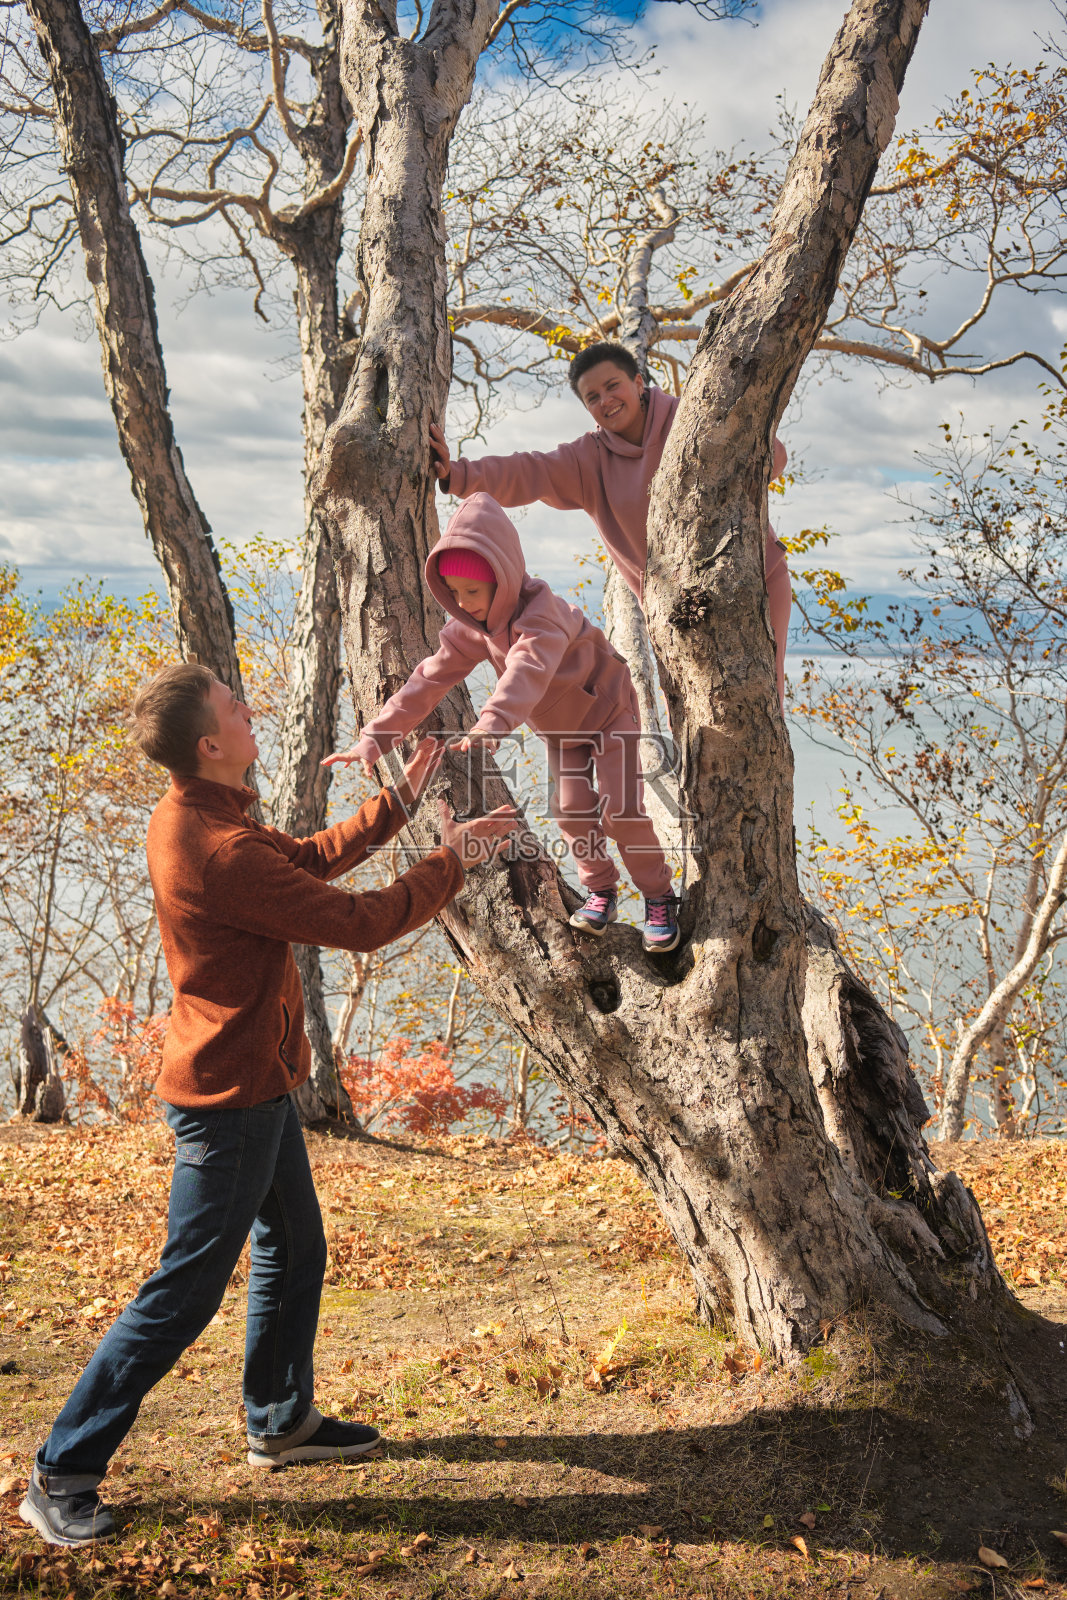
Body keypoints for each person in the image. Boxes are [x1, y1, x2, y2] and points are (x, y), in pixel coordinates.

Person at [20, 662, 518, 1549]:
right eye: (234, 707)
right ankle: (62, 1470)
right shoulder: (216, 846)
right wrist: (458, 858)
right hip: (231, 1097)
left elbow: (303, 862)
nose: (250, 711)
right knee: (183, 1289)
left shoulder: (204, 815)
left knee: (295, 1245)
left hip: (255, 1079)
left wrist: (398, 801)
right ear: (210, 744)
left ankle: (279, 1420)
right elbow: (360, 922)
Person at [325, 493, 680, 953]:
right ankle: (602, 891)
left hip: (608, 710)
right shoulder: (473, 627)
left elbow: (526, 672)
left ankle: (658, 897)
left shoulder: (543, 614)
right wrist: (374, 739)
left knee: (619, 810)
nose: (463, 603)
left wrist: (490, 723)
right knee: (571, 811)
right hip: (562, 731)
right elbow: (428, 680)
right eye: (453, 593)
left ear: (504, 579)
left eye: (472, 591)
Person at [429, 340, 792, 706]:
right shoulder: (589, 460)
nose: (605, 400)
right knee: (693, 719)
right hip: (678, 615)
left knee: (763, 706)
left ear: (638, 382)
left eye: (613, 385)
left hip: (753, 579)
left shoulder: (691, 419)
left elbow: (773, 457)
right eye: (592, 397)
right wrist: (456, 474)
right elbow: (527, 470)